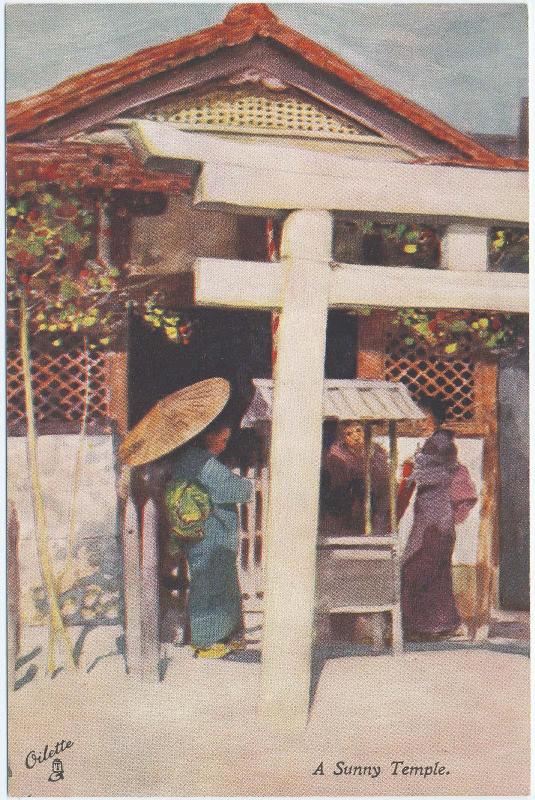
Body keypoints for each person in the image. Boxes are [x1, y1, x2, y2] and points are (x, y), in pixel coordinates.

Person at [164, 417, 253, 658]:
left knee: (219, 583)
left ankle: (225, 635)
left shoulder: (189, 459)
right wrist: (246, 484)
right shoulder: (201, 462)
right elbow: (233, 490)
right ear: (207, 435)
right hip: (210, 531)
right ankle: (205, 641)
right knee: (209, 584)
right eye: (221, 439)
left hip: (201, 530)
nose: (224, 445)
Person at [399, 400, 477, 640]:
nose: (421, 422)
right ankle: (438, 626)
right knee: (434, 573)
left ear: (435, 419)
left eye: (425, 418)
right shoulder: (434, 443)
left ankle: (426, 626)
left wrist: (411, 469)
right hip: (432, 519)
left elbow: (433, 473)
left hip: (436, 522)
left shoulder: (440, 443)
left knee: (417, 569)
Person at [321, 420, 390, 536]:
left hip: (376, 500)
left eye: (358, 431)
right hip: (349, 505)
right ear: (343, 438)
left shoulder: (376, 450)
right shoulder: (337, 455)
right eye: (349, 434)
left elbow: (383, 476)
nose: (356, 436)